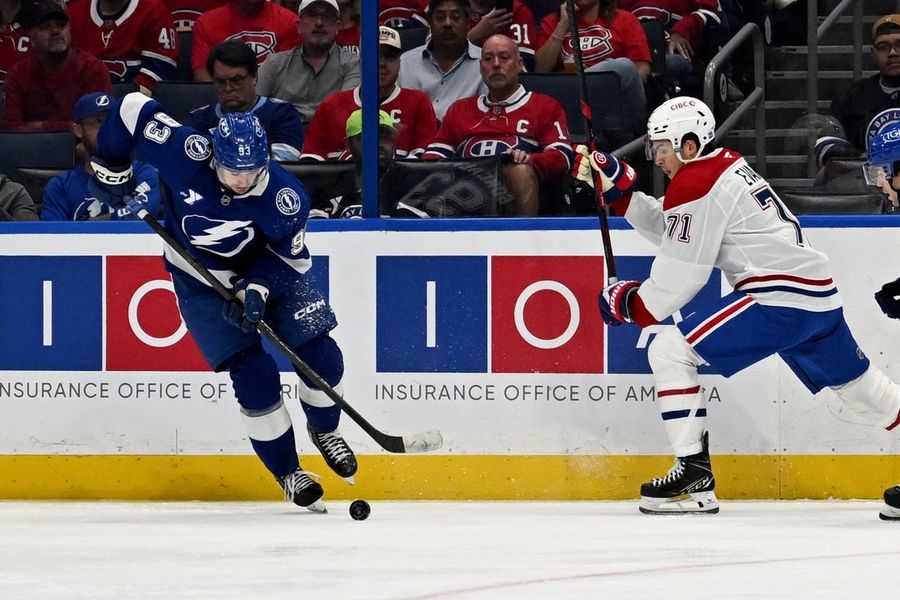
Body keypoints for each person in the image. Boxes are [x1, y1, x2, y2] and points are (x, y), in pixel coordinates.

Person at [574, 96, 900, 515]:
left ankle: (693, 478)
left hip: (780, 301)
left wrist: (631, 304)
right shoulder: (720, 167)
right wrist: (621, 194)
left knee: (669, 349)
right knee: (866, 392)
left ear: (690, 145)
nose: (658, 159)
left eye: (663, 148)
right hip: (815, 300)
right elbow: (681, 234)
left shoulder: (698, 181)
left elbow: (681, 277)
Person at [92, 92, 359, 512]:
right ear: (214, 155)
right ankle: (288, 472)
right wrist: (113, 169)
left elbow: (291, 257)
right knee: (253, 376)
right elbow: (129, 109)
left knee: (323, 358)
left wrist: (258, 287)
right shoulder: (185, 152)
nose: (242, 181)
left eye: (252, 171)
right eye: (233, 170)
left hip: (268, 272)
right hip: (199, 279)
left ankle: (325, 429)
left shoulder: (285, 197)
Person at [423, 34, 573, 216]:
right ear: (481, 67)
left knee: (519, 172)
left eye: (504, 57)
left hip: (517, 190)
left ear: (519, 64)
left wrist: (530, 160)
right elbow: (435, 154)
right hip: (463, 190)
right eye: (488, 59)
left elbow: (562, 156)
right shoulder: (460, 109)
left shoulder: (545, 106)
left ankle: (521, 233)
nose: (495, 64)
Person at [301, 26, 437, 161]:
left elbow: (425, 164)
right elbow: (311, 160)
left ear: (399, 63)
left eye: (390, 56)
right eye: (374, 55)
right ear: (360, 60)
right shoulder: (331, 106)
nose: (382, 63)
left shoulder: (418, 103)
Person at [534, 0, 651, 139]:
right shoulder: (552, 22)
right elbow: (539, 70)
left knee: (623, 66)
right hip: (570, 101)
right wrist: (563, 24)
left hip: (614, 103)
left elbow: (641, 70)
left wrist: (599, 81)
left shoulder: (624, 19)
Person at [41, 91, 161, 220]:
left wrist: (94, 223)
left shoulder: (143, 174)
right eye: (98, 122)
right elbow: (53, 231)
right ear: (78, 130)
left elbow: (144, 214)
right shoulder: (61, 186)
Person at [187, 40, 304, 161]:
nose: (228, 88)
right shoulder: (198, 120)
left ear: (254, 77)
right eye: (221, 82)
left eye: (236, 80)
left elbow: (284, 163)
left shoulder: (281, 114)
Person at [2, 1, 111, 131]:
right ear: (31, 38)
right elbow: (11, 129)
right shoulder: (17, 75)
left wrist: (39, 126)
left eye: (61, 25)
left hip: (80, 144)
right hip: (31, 144)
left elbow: (96, 126)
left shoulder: (93, 69)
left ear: (69, 30)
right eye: (45, 27)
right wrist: (69, 127)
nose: (55, 31)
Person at [816, 14, 900, 168]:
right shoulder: (851, 96)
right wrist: (858, 157)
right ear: (873, 54)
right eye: (883, 47)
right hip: (863, 182)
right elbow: (826, 145)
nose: (892, 53)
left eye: (899, 44)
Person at [256, 0, 360, 124]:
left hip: (329, 132)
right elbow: (253, 104)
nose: (319, 23)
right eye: (312, 15)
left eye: (327, 16)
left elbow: (346, 110)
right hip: (282, 131)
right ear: (299, 25)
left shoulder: (352, 64)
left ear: (337, 27)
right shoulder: (275, 64)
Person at [398, 0, 487, 121]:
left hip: (463, 132)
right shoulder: (405, 62)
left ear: (468, 22)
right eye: (440, 18)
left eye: (456, 17)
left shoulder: (485, 63)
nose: (447, 23)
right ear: (430, 23)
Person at [67, 0, 179, 94]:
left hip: (133, 106)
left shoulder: (154, 12)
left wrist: (118, 101)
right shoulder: (74, 14)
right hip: (84, 105)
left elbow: (158, 76)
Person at [307, 108, 397, 219]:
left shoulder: (406, 185)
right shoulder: (327, 187)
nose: (379, 145)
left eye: (385, 137)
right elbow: (315, 226)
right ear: (348, 145)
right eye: (367, 138)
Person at [618, 0, 723, 95]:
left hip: (674, 53)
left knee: (669, 65)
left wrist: (682, 31)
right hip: (633, 56)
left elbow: (713, 13)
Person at [190, 0, 302, 81]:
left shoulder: (289, 22)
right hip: (225, 97)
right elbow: (202, 76)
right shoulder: (206, 23)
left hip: (271, 99)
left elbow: (288, 77)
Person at [466, 0, 537, 71]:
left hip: (503, 75)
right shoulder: (459, 12)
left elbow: (524, 65)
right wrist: (475, 35)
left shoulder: (517, 10)